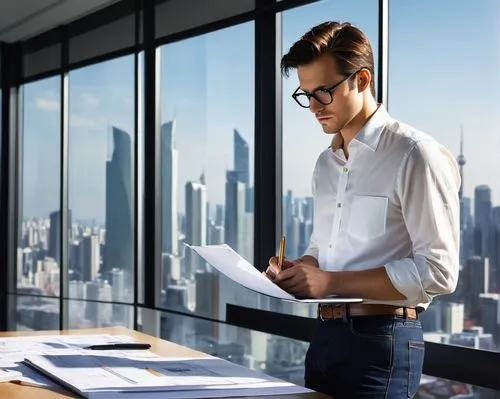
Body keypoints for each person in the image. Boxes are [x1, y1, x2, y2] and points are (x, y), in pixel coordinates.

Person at [265, 21, 460, 398]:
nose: (314, 108)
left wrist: (331, 283)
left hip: (383, 342)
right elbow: (325, 250)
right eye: (305, 95)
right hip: (324, 336)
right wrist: (302, 267)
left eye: (324, 92)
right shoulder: (326, 164)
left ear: (362, 79)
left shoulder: (414, 154)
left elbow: (439, 271)